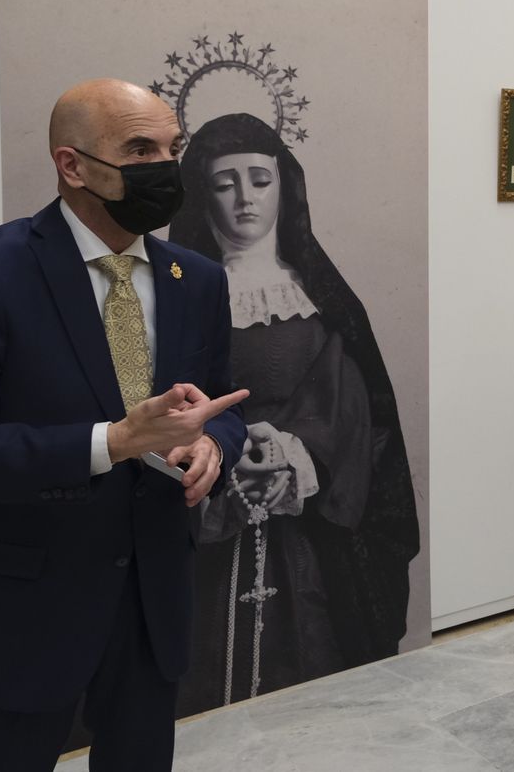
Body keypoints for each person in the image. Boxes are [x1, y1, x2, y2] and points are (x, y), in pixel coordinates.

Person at [0, 79, 250, 772]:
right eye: (139, 150)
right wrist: (112, 442)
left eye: (173, 148)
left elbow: (220, 407)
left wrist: (212, 444)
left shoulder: (197, 278)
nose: (165, 168)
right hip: (19, 607)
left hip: (152, 604)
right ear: (72, 165)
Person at [168, 112, 420, 714]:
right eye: (225, 183)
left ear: (285, 187)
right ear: (202, 193)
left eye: (260, 179)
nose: (245, 197)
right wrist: (222, 456)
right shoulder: (176, 293)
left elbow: (351, 402)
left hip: (306, 518)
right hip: (208, 507)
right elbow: (157, 394)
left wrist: (294, 453)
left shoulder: (317, 295)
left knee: (314, 672)